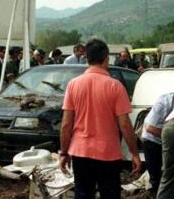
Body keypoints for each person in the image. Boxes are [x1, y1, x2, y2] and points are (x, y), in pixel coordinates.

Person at [60, 39, 141, 199]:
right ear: (106, 59)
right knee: (110, 194)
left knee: (83, 193)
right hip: (108, 153)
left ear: (87, 58)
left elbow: (66, 124)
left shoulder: (73, 85)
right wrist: (134, 153)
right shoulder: (115, 86)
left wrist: (64, 152)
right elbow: (124, 124)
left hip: (80, 151)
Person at [141, 85, 174, 195]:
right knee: (156, 173)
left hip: (170, 138)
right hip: (153, 139)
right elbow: (150, 128)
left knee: (172, 170)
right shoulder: (163, 103)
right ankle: (157, 193)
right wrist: (173, 137)